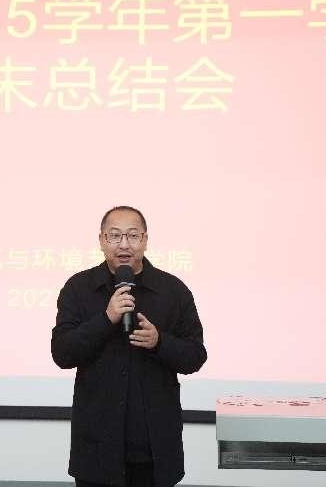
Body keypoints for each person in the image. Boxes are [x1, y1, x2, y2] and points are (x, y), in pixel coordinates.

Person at [51, 206, 207, 487]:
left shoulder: (173, 291)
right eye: (115, 235)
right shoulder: (78, 288)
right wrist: (106, 319)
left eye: (133, 235)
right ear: (101, 240)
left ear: (145, 240)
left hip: (154, 450)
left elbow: (196, 356)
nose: (124, 244)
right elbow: (62, 353)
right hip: (97, 451)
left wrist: (159, 342)